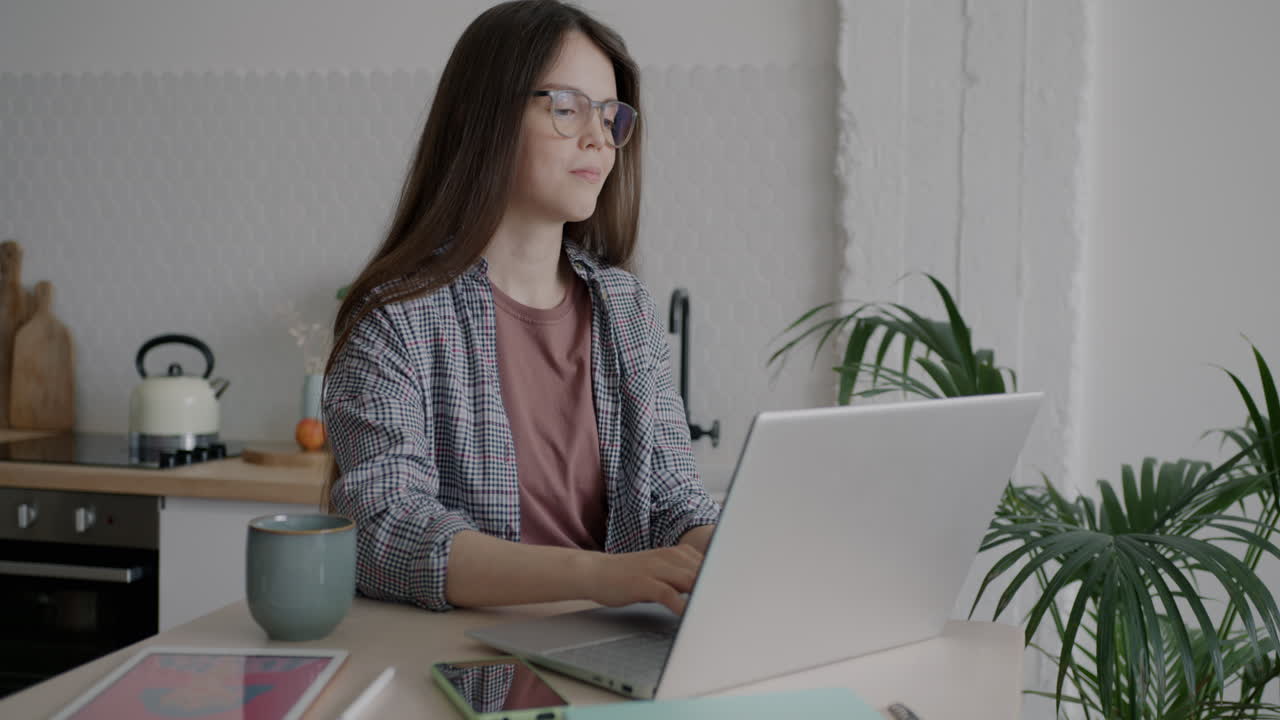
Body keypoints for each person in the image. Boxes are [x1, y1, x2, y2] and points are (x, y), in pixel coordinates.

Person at [322, 0, 720, 617]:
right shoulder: (396, 316)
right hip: (467, 672)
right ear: (487, 117)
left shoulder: (624, 307)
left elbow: (673, 501)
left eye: (610, 116)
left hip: (614, 660)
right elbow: (386, 530)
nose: (598, 136)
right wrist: (601, 576)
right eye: (566, 108)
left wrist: (719, 548)